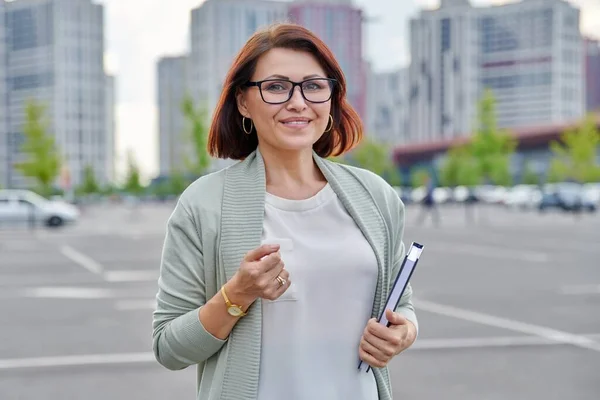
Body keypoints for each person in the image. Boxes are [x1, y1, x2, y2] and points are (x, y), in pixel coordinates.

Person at [152, 23, 418, 400]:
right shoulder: (204, 204)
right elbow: (169, 348)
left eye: (314, 85)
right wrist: (236, 295)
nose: (298, 102)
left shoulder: (375, 196)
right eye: (276, 87)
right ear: (243, 101)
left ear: (332, 98)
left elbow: (402, 305)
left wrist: (403, 332)